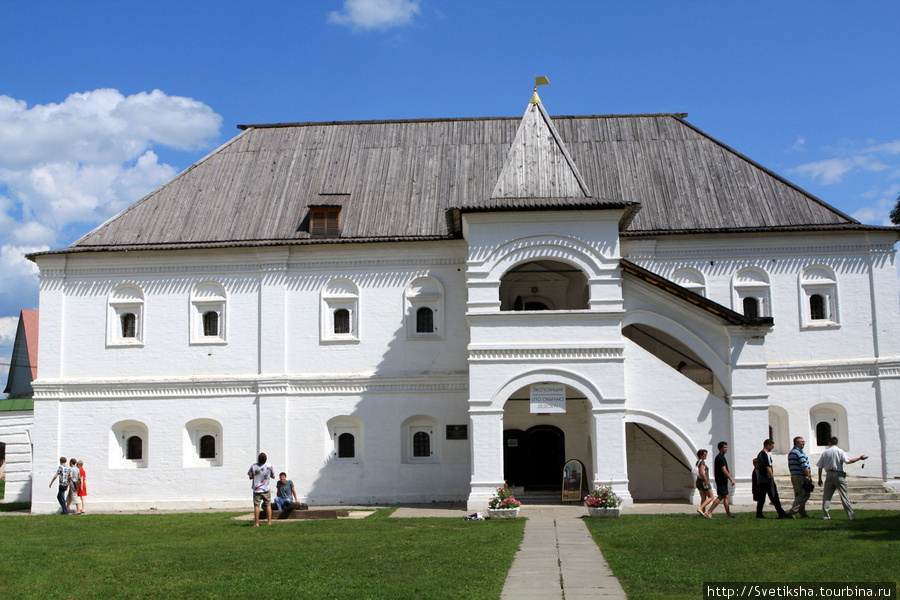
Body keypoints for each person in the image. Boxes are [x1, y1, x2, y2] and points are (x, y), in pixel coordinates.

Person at [816, 437, 867, 520]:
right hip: (838, 474)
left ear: (829, 443)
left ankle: (826, 515)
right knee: (844, 495)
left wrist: (819, 478)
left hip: (829, 474)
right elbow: (848, 461)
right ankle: (851, 516)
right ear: (837, 443)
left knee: (827, 496)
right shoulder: (840, 451)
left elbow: (820, 466)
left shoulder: (825, 452)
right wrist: (859, 458)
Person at [755, 439, 788, 518]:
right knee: (774, 496)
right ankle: (781, 513)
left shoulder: (759, 454)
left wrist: (758, 478)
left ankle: (759, 513)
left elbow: (758, 467)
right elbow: (768, 467)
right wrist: (772, 478)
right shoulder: (766, 454)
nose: (772, 448)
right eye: (771, 446)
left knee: (761, 497)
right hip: (767, 479)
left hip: (762, 479)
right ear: (768, 445)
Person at [704, 441, 736, 518]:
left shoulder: (721, 457)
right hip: (721, 480)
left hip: (722, 480)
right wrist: (731, 479)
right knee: (721, 496)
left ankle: (728, 514)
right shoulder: (720, 457)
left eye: (726, 447)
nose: (726, 449)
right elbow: (724, 470)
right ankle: (709, 512)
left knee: (726, 496)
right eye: (725, 447)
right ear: (720, 448)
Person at [248, 452, 276, 526]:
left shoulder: (254, 466)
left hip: (257, 489)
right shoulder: (269, 466)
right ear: (265, 459)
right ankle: (269, 522)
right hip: (266, 489)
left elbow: (250, 477)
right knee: (268, 505)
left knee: (257, 506)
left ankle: (257, 523)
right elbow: (273, 476)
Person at [786, 436, 812, 518]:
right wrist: (808, 475)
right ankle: (793, 511)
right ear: (797, 443)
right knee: (804, 494)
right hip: (800, 475)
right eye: (802, 442)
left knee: (799, 494)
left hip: (794, 475)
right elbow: (804, 465)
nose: (803, 443)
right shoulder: (798, 452)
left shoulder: (793, 452)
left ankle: (802, 512)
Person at [694, 449, 714, 518]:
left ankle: (702, 512)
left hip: (698, 481)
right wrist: (706, 481)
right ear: (701, 455)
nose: (706, 456)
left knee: (703, 497)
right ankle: (700, 508)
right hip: (703, 481)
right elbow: (702, 472)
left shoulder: (698, 462)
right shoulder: (702, 462)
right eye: (704, 455)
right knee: (711, 497)